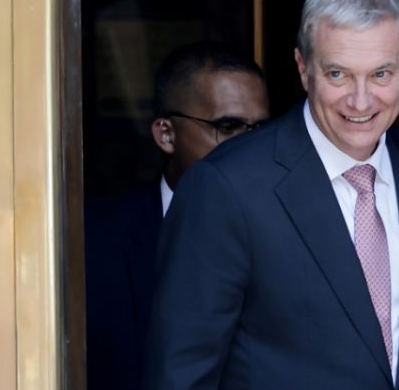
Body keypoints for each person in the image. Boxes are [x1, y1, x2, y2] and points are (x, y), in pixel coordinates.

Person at [143, 0, 399, 390]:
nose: (361, 101)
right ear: (304, 68)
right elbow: (182, 375)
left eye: (381, 74)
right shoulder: (226, 187)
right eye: (338, 74)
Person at [85, 41, 270, 390]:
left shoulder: (292, 232)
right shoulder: (94, 242)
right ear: (166, 134)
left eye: (260, 130)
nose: (249, 147)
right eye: (228, 126)